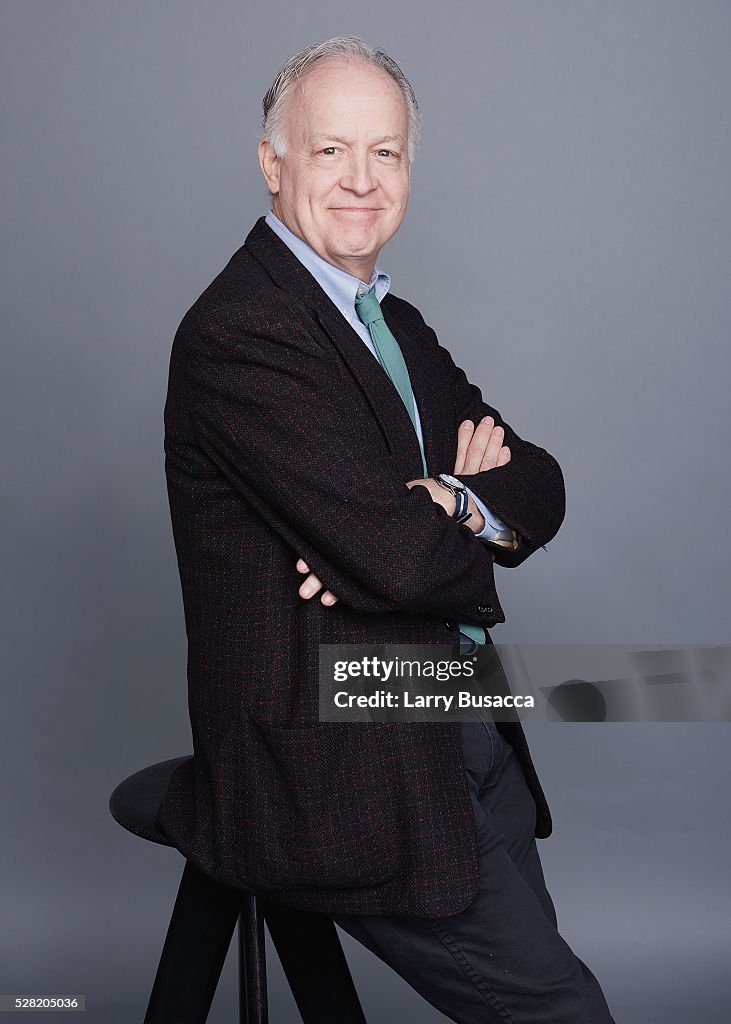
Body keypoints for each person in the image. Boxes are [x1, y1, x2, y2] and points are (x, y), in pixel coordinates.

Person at [157, 34, 616, 1023]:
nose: (363, 181)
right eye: (330, 151)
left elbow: (536, 483)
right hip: (339, 760)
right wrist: (409, 528)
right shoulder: (242, 333)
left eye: (386, 152)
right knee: (561, 1012)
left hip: (448, 704)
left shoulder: (384, 321)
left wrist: (435, 499)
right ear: (273, 165)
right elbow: (399, 560)